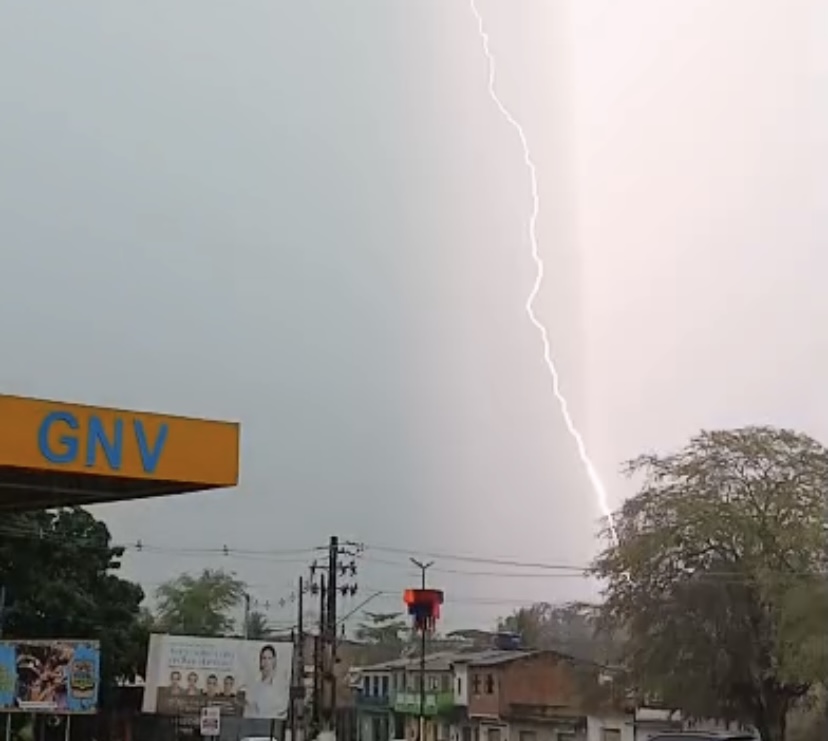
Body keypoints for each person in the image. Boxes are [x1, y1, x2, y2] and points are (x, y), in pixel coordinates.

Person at [243, 645, 284, 718]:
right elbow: (248, 710)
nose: (266, 662)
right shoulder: (254, 685)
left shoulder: (279, 687)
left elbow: (279, 710)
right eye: (264, 658)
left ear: (274, 661)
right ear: (261, 661)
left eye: (269, 658)